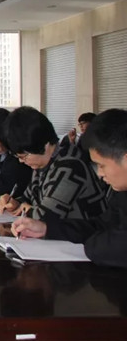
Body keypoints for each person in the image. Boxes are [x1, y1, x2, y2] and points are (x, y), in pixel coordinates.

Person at [13, 109, 127, 268]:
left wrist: (93, 243)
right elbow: (101, 225)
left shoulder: (71, 164)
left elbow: (113, 247)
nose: (100, 174)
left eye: (101, 165)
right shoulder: (121, 192)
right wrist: (47, 229)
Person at [0, 106, 107, 223]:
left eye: (23, 156)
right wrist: (14, 203)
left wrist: (24, 209)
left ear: (44, 145)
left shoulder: (71, 165)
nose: (21, 161)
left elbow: (46, 218)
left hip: (86, 233)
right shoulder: (42, 163)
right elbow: (28, 198)